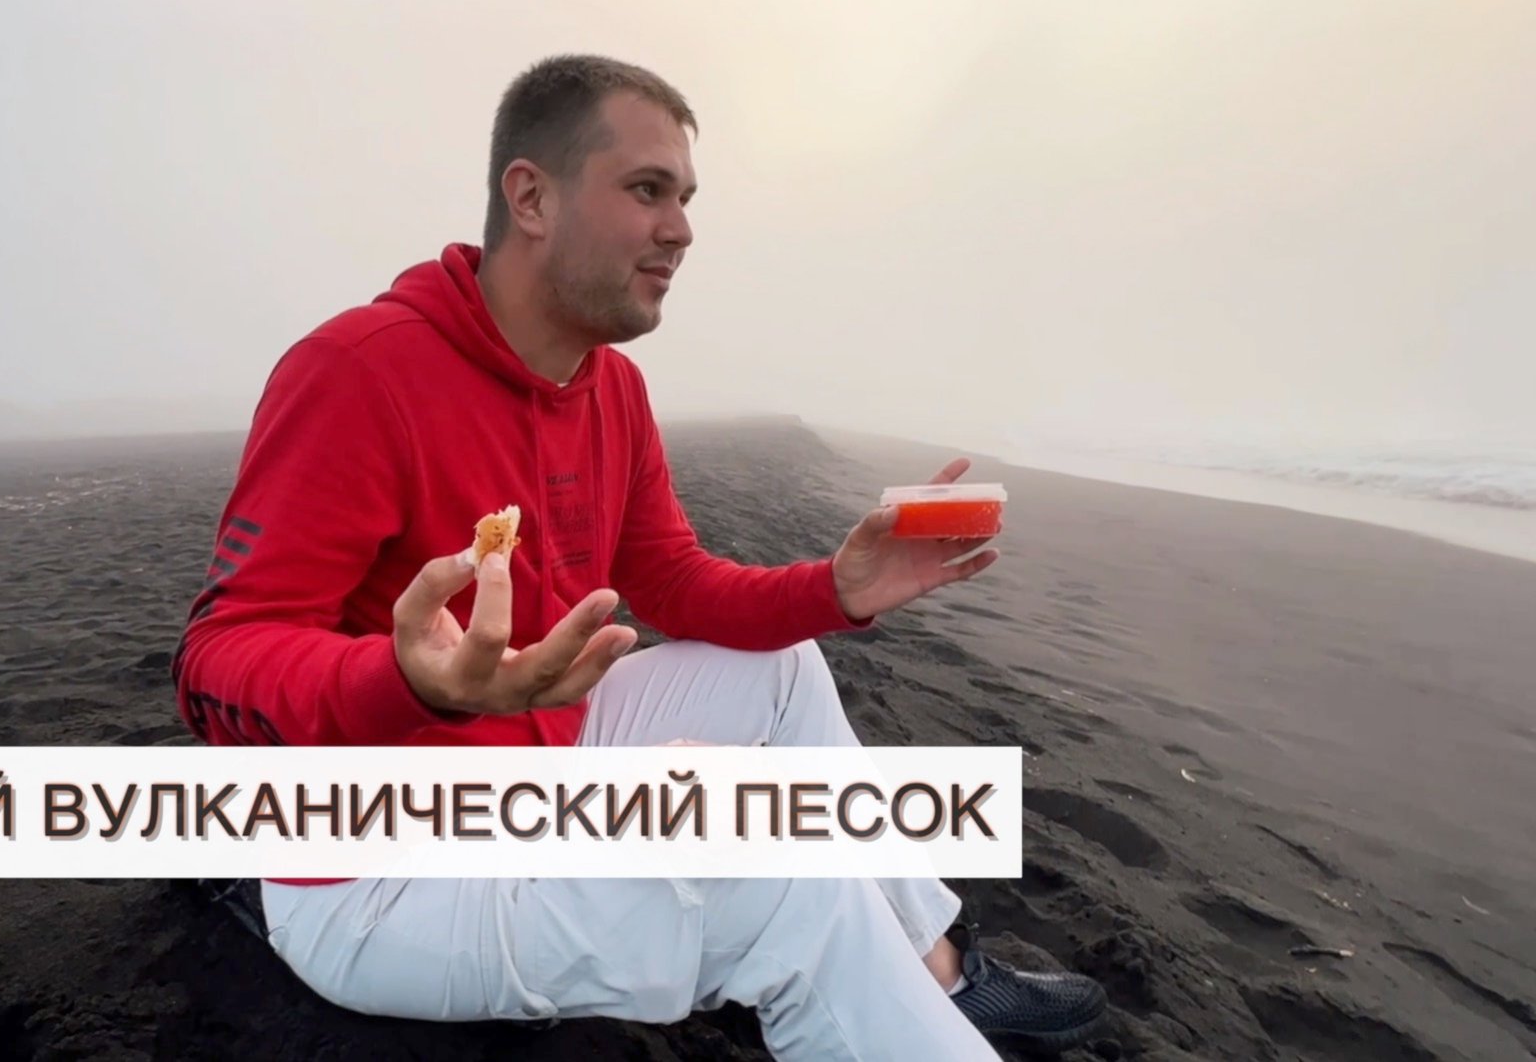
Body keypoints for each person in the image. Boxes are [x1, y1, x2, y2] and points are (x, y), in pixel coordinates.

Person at [174, 54, 1108, 1059]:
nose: (681, 229)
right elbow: (215, 660)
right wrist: (407, 682)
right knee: (776, 870)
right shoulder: (358, 372)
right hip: (375, 876)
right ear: (531, 197)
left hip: (545, 756)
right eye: (647, 190)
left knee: (783, 671)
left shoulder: (610, 387)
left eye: (686, 198)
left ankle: (937, 974)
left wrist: (835, 589)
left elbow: (672, 578)